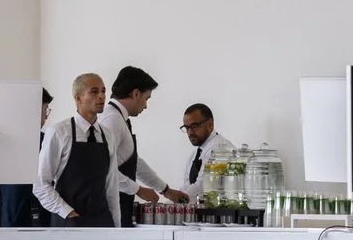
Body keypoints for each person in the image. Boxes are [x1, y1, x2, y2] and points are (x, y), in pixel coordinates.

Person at [97, 66, 183, 225]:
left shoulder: (119, 118)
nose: (146, 105)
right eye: (147, 98)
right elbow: (102, 169)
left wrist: (165, 190)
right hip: (107, 210)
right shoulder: (112, 120)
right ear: (136, 94)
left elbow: (133, 162)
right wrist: (138, 190)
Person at [34, 74, 120, 227]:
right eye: (94, 92)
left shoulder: (108, 136)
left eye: (103, 91)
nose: (101, 96)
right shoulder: (59, 132)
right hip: (68, 223)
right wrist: (68, 213)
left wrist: (116, 228)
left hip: (102, 223)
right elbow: (41, 185)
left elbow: (111, 188)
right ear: (78, 98)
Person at [0, 89, 53, 228]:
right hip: (34, 219)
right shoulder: (45, 141)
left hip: (9, 219)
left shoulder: (2, 141)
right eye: (45, 109)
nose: (46, 116)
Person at [178, 103, 234, 199]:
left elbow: (201, 188)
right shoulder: (194, 154)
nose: (190, 132)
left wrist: (173, 204)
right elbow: (186, 187)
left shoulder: (220, 149)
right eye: (187, 128)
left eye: (194, 126)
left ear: (210, 124)